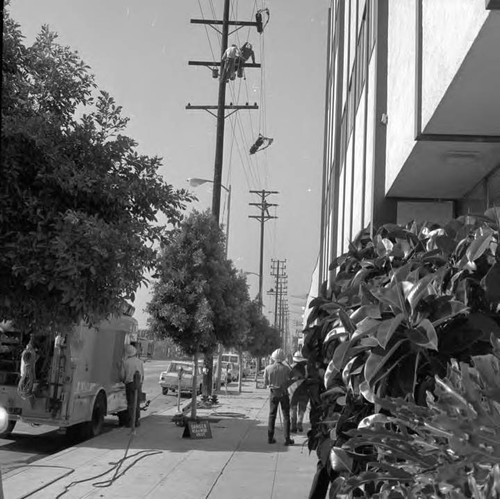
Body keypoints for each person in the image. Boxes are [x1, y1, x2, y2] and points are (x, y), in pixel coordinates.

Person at [264, 348, 294, 445]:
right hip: (284, 394)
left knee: (272, 415)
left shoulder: (268, 368)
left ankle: (270, 437)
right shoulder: (287, 369)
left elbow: (266, 383)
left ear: (273, 358)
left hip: (273, 393)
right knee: (286, 416)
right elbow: (291, 380)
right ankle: (287, 439)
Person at [120, 344, 144, 428]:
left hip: (129, 384)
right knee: (136, 403)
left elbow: (122, 376)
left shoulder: (125, 362)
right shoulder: (140, 362)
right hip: (138, 384)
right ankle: (136, 421)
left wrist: (124, 380)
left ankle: (130, 421)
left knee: (130, 403)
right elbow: (142, 375)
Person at [288, 350, 309, 433]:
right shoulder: (307, 368)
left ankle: (293, 425)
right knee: (302, 407)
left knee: (293, 407)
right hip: (304, 389)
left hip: (293, 390)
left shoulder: (291, 367)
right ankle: (299, 423)